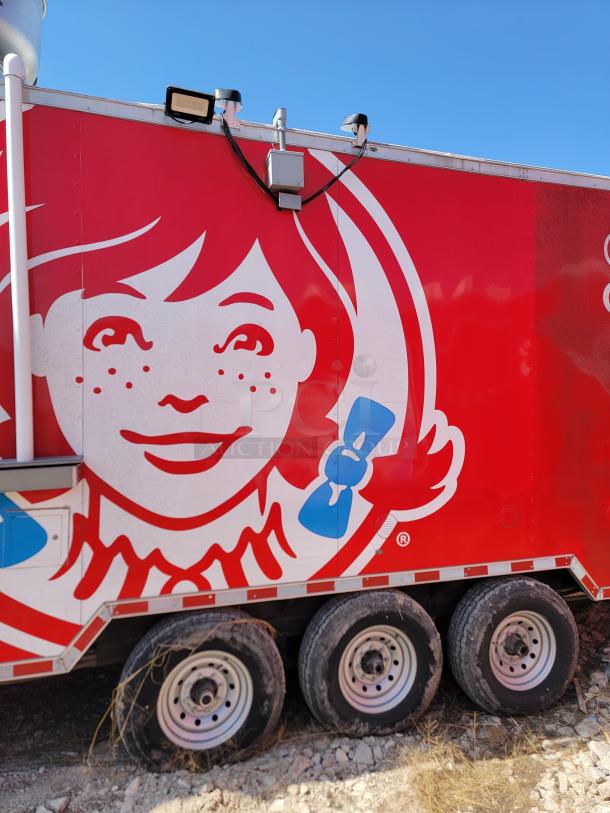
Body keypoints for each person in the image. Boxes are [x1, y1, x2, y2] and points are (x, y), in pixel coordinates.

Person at [0, 107, 463, 659]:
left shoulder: (303, 516)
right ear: (40, 345)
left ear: (304, 355)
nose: (185, 394)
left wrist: (383, 482)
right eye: (115, 334)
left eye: (245, 340)